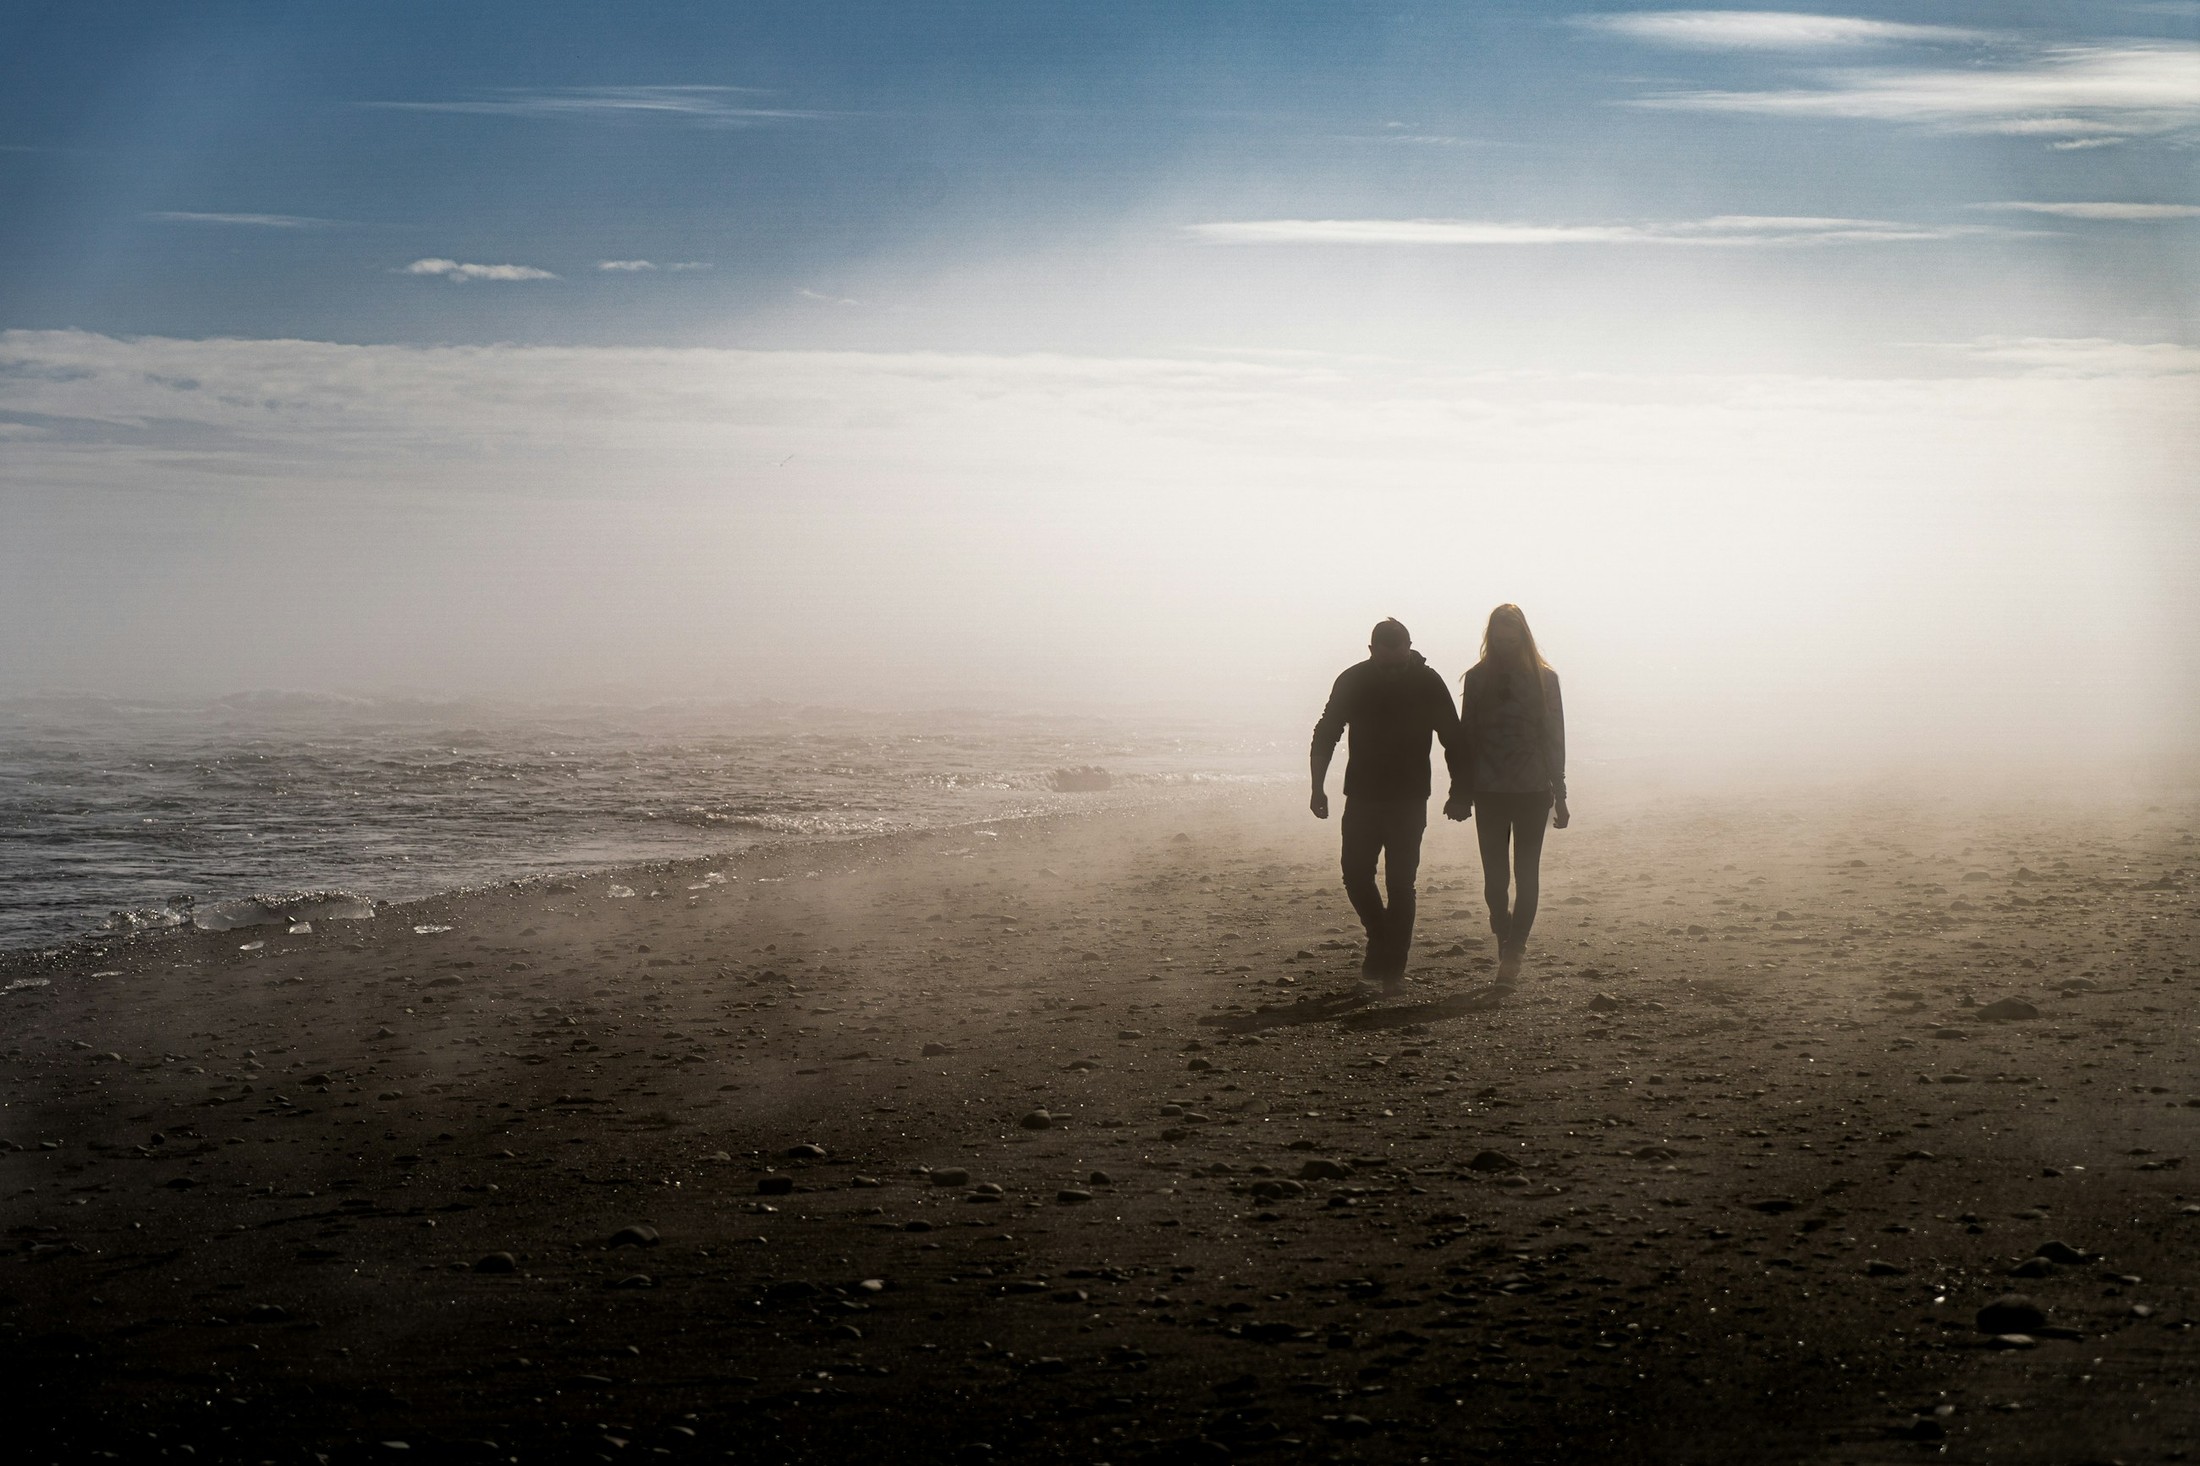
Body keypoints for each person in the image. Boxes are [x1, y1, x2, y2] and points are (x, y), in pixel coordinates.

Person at [1310, 618, 1469, 995]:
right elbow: (1326, 731)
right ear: (1371, 652)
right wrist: (1317, 787)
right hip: (1362, 796)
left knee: (1401, 884)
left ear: (1410, 649)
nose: (1395, 671)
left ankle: (1392, 969)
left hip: (1410, 798)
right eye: (1386, 664)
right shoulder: (1353, 679)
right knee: (1355, 875)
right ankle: (1381, 940)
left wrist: (1461, 792)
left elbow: (1455, 738)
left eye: (1400, 663)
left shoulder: (1428, 682)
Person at [1447, 604, 1568, 983]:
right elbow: (1466, 737)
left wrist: (1560, 793)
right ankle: (1503, 934)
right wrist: (1461, 792)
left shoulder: (1545, 680)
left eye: (1512, 641)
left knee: (1526, 873)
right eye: (1499, 642)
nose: (1506, 648)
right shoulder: (1479, 679)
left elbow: (1554, 738)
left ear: (1524, 638)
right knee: (1495, 879)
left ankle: (1515, 951)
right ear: (1491, 639)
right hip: (1490, 790)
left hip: (1533, 789)